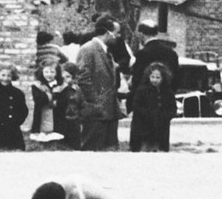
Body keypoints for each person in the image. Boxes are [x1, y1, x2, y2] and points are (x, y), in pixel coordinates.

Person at [127, 18, 179, 152]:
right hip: (163, 103)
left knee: (141, 143)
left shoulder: (143, 54)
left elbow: (136, 81)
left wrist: (131, 103)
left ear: (142, 34)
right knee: (161, 139)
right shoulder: (171, 53)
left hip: (144, 103)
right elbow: (176, 79)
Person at [76, 16, 122, 152]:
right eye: (117, 33)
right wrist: (95, 102)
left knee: (109, 151)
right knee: (92, 149)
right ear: (108, 32)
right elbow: (83, 78)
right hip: (96, 113)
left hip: (110, 112)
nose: (118, 36)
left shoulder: (107, 51)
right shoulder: (88, 49)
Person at [128, 62, 175, 154]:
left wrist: (165, 116)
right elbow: (137, 106)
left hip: (161, 130)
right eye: (152, 77)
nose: (155, 80)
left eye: (158, 77)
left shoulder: (167, 92)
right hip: (143, 129)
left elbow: (172, 108)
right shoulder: (141, 91)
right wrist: (148, 115)